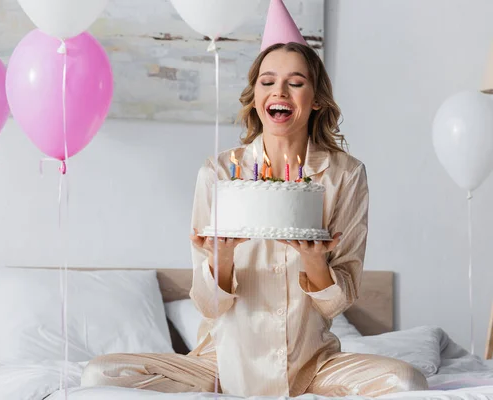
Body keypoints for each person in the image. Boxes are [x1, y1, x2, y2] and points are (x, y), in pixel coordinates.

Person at [81, 1, 429, 397]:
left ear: (315, 98)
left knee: (406, 381)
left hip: (312, 364)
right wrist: (223, 259)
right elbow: (210, 308)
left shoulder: (344, 174)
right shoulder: (218, 173)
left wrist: (316, 261)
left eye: (295, 82)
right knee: (100, 374)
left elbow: (336, 304)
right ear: (255, 95)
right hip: (218, 364)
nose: (279, 91)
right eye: (267, 81)